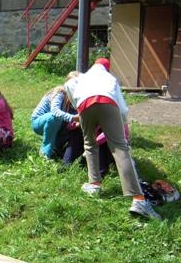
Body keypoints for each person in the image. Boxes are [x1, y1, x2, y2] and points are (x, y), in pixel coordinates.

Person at [64, 58, 162, 220]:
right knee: (120, 148)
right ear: (106, 68)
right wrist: (122, 123)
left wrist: (78, 107)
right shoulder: (110, 78)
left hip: (84, 105)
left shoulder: (82, 77)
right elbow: (121, 107)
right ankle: (138, 199)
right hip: (107, 103)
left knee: (90, 144)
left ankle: (94, 184)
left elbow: (69, 85)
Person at [30, 71, 80, 160]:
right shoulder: (59, 93)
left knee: (71, 128)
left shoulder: (76, 97)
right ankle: (45, 153)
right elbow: (55, 111)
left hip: (57, 124)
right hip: (39, 122)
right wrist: (73, 118)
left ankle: (56, 149)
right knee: (54, 117)